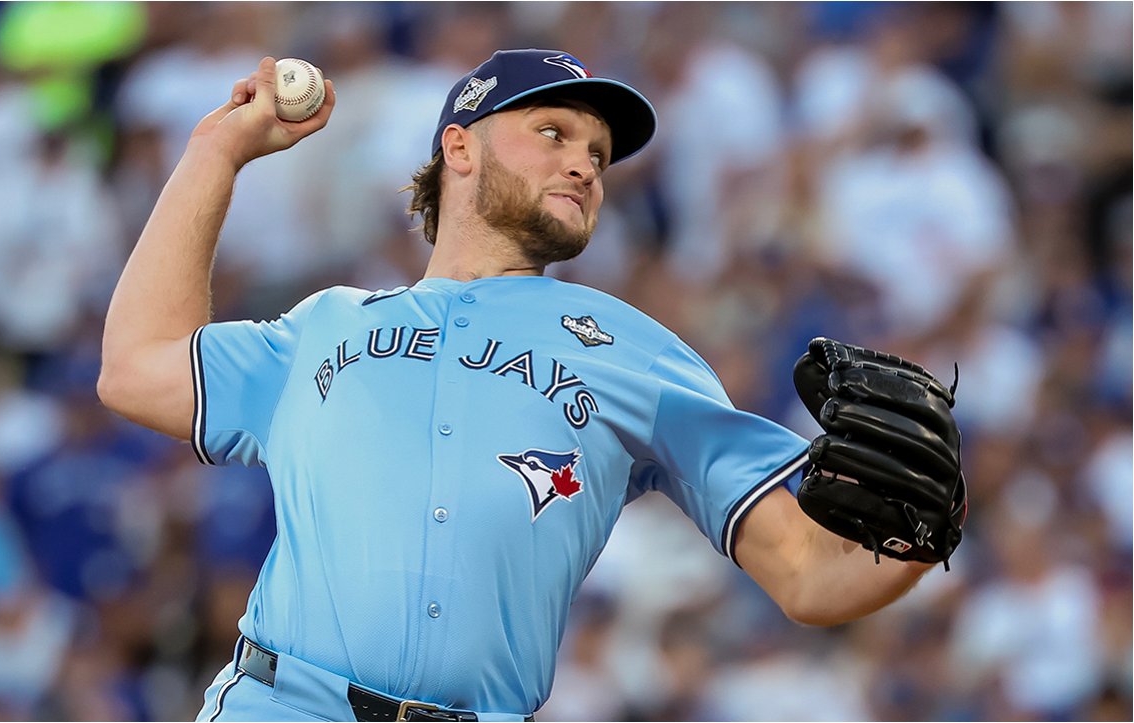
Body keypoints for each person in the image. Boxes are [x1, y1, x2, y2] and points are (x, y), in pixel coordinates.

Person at [99, 50, 964, 722]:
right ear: (459, 145)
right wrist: (216, 153)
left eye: (598, 154)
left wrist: (924, 530)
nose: (584, 164)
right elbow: (137, 367)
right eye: (553, 133)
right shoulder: (325, 326)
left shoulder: (637, 351)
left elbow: (809, 575)